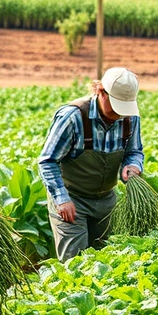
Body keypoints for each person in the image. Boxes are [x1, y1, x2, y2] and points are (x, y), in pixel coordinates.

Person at [39, 67, 145, 261]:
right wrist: (62, 199)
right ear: (100, 91)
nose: (119, 114)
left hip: (106, 200)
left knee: (106, 259)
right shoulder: (73, 117)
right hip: (72, 199)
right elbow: (48, 160)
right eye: (115, 107)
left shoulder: (130, 117)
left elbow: (134, 151)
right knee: (76, 263)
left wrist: (133, 166)